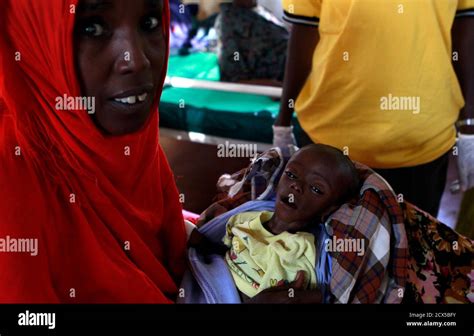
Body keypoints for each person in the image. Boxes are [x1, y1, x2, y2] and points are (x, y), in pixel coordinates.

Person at [0, 0, 187, 303]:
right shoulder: (11, 173)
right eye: (93, 27)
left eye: (150, 23)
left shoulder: (134, 147)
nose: (136, 60)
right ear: (32, 37)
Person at [273, 0, 474, 218]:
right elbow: (305, 30)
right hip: (330, 141)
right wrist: (282, 123)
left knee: (409, 246)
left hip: (421, 142)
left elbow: (465, 35)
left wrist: (469, 126)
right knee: (322, 246)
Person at [188, 144, 360, 301]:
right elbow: (225, 250)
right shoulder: (246, 217)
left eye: (316, 188)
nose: (296, 186)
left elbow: (312, 297)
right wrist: (202, 243)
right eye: (291, 175)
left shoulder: (302, 251)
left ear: (328, 210)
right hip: (202, 285)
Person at [215, 0, 289, 84]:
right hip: (284, 78)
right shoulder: (229, 22)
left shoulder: (261, 11)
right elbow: (234, 78)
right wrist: (276, 86)